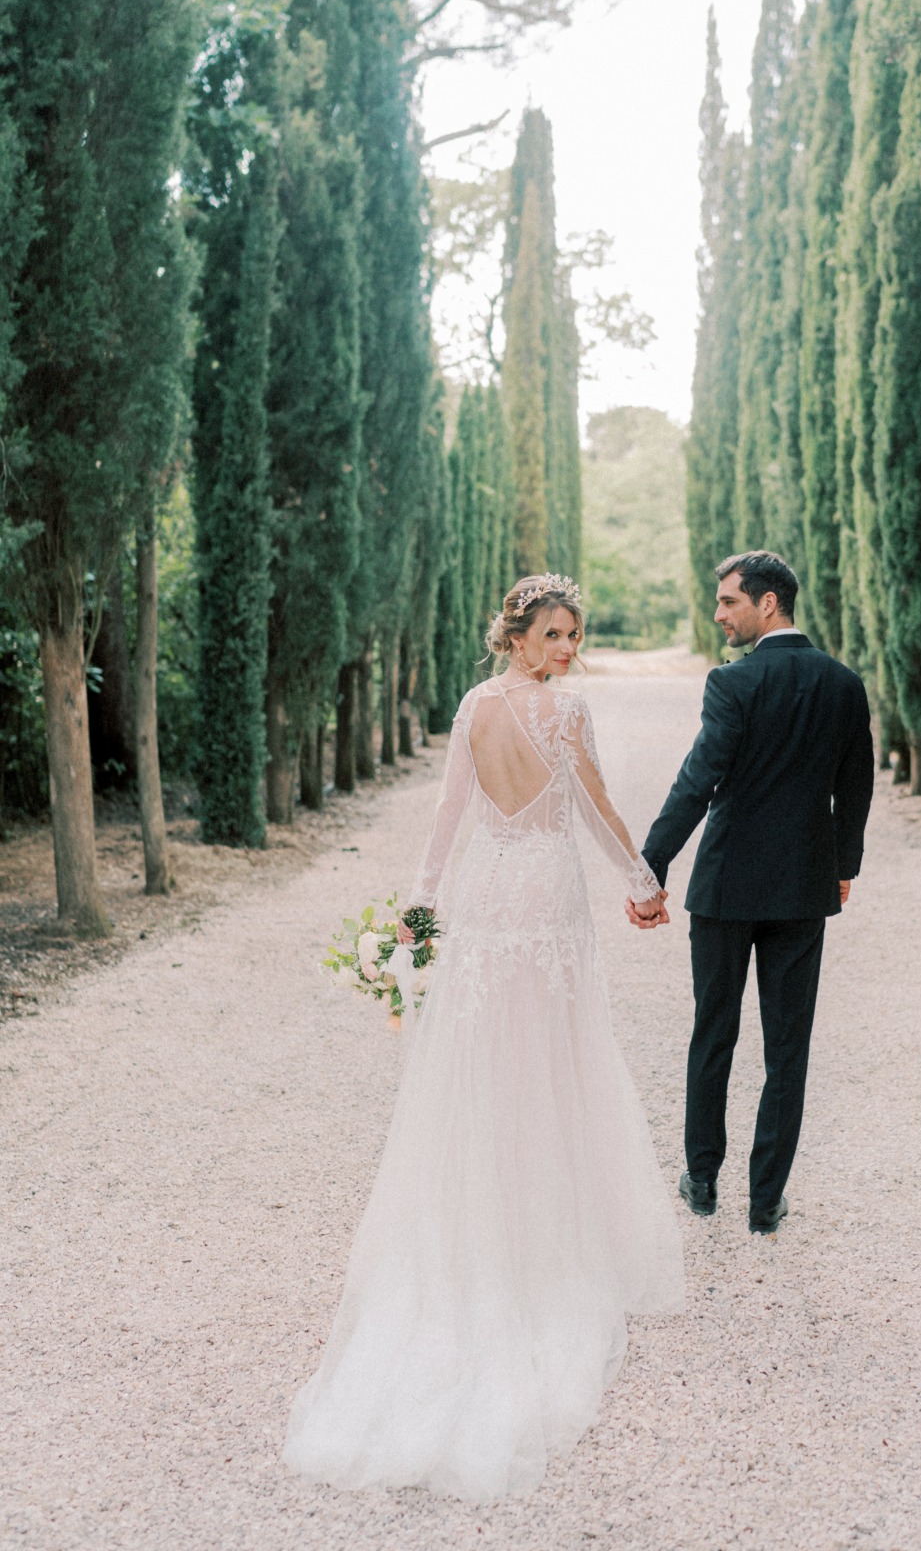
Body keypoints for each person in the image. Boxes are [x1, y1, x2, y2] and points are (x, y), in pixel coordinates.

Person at [283, 574, 684, 1504]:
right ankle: (541, 1242)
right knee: (547, 1061)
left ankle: (511, 1212)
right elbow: (590, 805)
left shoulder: (473, 706)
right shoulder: (565, 713)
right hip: (540, 897)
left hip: (497, 897)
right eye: (552, 634)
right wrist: (641, 880)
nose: (565, 650)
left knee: (512, 1058)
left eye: (573, 635)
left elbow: (448, 823)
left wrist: (421, 925)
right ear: (516, 635)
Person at [629, 551, 874, 1235]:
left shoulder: (733, 685)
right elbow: (856, 786)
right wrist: (843, 864)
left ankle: (702, 1180)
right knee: (787, 1047)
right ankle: (766, 1199)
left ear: (768, 603)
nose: (718, 613)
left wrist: (651, 867)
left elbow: (696, 782)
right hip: (803, 887)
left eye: (728, 601)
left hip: (726, 888)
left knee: (714, 1030)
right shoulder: (843, 684)